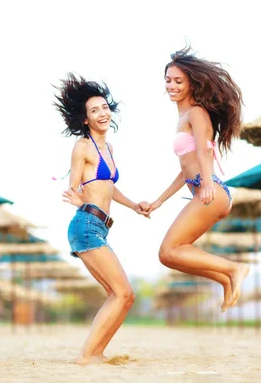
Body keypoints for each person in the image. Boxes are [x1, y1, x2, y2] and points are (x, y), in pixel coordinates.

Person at [146, 47, 250, 312]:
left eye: (178, 81)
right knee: (172, 256)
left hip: (211, 190)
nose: (171, 85)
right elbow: (185, 169)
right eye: (168, 80)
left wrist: (205, 184)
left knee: (168, 251)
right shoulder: (182, 116)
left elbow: (205, 150)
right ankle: (226, 279)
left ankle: (234, 268)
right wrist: (159, 201)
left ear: (192, 83)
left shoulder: (196, 112)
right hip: (204, 189)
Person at [55, 74, 149, 365]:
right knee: (124, 293)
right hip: (85, 226)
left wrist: (134, 205)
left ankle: (95, 352)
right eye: (94, 110)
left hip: (99, 227)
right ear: (85, 119)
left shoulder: (109, 148)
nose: (102, 113)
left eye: (105, 107)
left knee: (118, 294)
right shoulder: (83, 147)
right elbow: (75, 187)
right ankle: (87, 355)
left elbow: (107, 186)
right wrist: (78, 197)